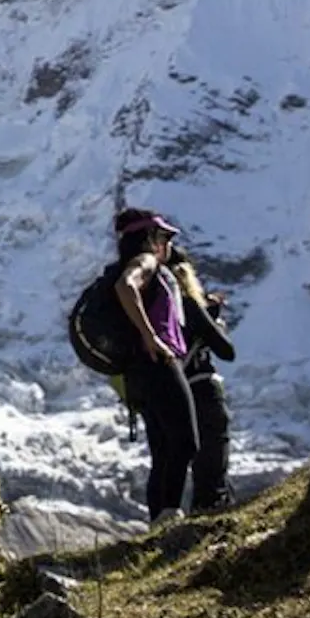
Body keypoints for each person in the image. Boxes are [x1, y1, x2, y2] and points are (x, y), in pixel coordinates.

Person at [111, 208, 234, 521]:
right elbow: (126, 286)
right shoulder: (147, 263)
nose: (167, 244)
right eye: (163, 236)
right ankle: (170, 517)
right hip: (159, 362)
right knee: (186, 440)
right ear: (150, 239)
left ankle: (161, 519)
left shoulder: (129, 267)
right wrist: (151, 337)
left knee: (164, 450)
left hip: (140, 372)